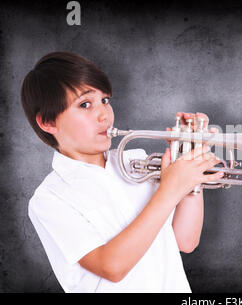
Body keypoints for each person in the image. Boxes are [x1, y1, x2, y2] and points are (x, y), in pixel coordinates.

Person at [20, 51, 224, 292]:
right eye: (85, 104)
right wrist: (170, 189)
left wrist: (190, 167)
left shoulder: (135, 160)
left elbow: (185, 241)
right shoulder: (49, 199)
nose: (104, 114)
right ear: (48, 122)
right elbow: (112, 267)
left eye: (105, 100)